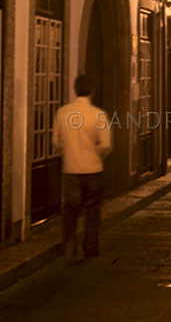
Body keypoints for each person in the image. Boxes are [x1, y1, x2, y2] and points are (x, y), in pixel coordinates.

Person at [52, 74, 112, 265]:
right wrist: (94, 155)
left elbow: (56, 143)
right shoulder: (99, 115)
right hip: (93, 170)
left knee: (70, 212)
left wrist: (69, 155)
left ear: (75, 90)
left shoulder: (62, 113)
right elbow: (105, 145)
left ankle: (69, 250)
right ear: (92, 91)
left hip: (70, 170)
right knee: (92, 212)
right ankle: (90, 249)